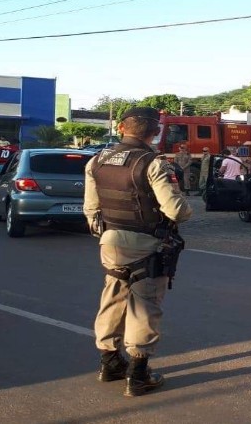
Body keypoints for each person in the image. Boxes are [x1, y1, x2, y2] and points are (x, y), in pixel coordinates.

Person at [83, 106, 192, 397]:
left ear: (121, 127)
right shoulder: (153, 164)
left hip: (110, 241)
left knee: (112, 297)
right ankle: (138, 374)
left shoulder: (97, 160)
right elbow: (177, 211)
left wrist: (106, 234)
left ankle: (109, 362)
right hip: (147, 243)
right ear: (155, 132)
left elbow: (91, 209)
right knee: (145, 306)